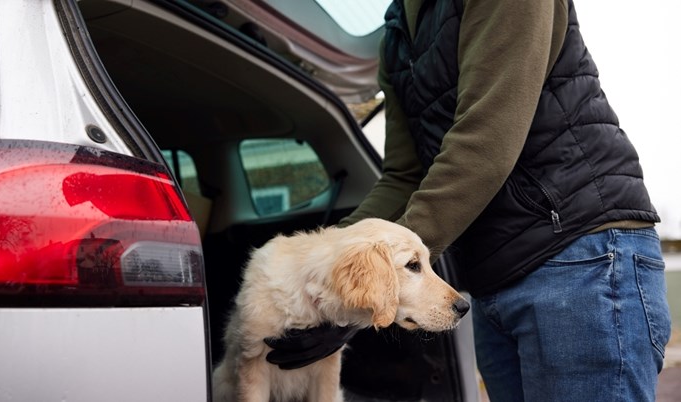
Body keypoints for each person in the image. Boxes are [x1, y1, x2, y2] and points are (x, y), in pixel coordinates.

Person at [264, 0, 673, 401]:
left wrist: (376, 276)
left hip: (580, 256)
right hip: (491, 275)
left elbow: (485, 145)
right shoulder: (396, 31)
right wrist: (322, 267)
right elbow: (403, 177)